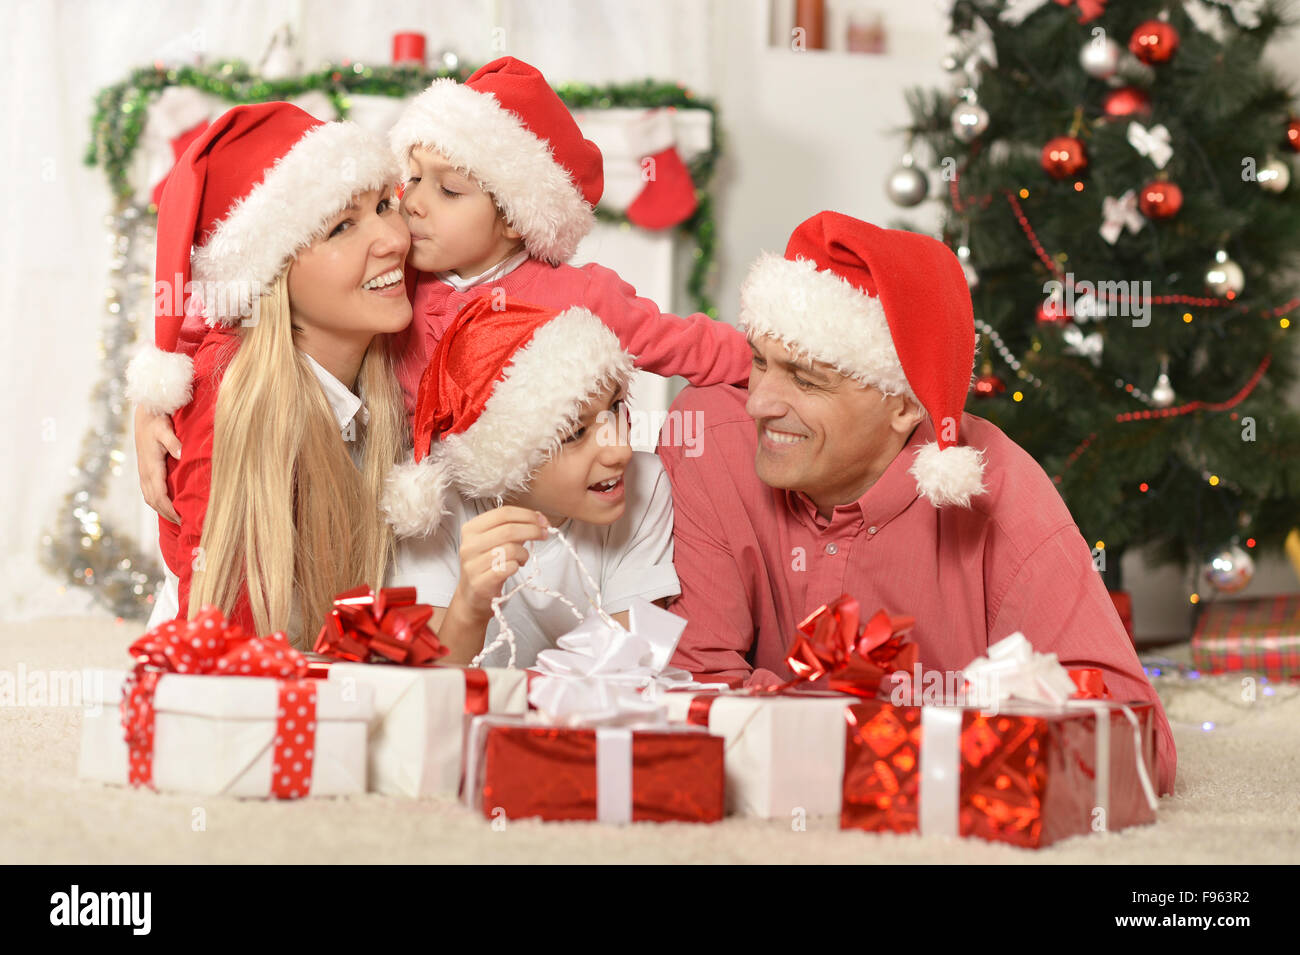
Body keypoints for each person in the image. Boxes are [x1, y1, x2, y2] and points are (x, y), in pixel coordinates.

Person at [658, 210, 1177, 795]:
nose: (759, 404)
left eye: (806, 380)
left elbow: (1140, 742)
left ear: (904, 405)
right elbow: (684, 687)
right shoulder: (711, 437)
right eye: (759, 362)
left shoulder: (997, 491)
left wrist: (908, 747)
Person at [134, 56, 751, 536]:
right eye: (412, 180)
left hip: (525, 506)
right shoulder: (396, 284)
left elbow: (683, 344)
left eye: (449, 191)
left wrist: (769, 368)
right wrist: (162, 398)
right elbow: (235, 309)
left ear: (513, 218)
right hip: (409, 512)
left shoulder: (579, 296)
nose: (414, 205)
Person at [124, 102, 411, 646]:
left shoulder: (401, 324)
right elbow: (218, 659)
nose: (393, 239)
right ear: (270, 277)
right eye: (342, 226)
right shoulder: (233, 405)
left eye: (384, 205)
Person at [383, 295, 679, 668]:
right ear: (503, 459)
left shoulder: (644, 487)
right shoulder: (437, 506)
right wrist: (470, 605)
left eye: (615, 408)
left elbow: (632, 672)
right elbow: (430, 690)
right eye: (575, 433)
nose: (619, 448)